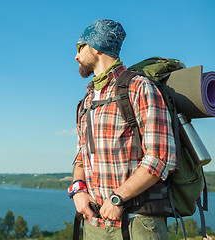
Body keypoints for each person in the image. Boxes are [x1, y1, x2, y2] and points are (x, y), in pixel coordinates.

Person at [69, 19, 177, 239]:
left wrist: (118, 197)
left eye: (80, 47)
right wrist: (78, 191)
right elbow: (81, 157)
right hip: (94, 225)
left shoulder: (139, 88)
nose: (76, 56)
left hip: (138, 223)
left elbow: (161, 157)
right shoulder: (86, 102)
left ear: (96, 47)